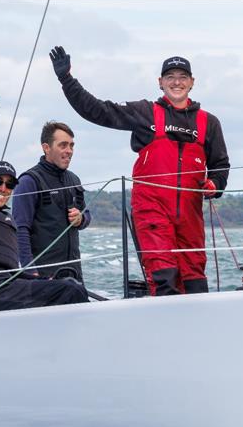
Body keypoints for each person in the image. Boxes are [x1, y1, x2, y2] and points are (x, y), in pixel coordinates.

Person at [49, 46, 230, 296]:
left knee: (195, 283)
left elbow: (221, 165)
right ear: (160, 82)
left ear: (191, 82)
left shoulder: (209, 122)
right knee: (164, 278)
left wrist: (215, 185)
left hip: (190, 216)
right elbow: (98, 110)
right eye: (170, 77)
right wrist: (66, 79)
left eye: (182, 77)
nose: (176, 82)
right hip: (152, 211)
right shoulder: (146, 112)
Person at [0, 97, 88, 314]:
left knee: (71, 287)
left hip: (6, 287)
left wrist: (38, 278)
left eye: (10, 184)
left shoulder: (6, 220)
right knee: (69, 290)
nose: (3, 188)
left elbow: (10, 272)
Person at [12, 121, 91, 281]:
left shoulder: (74, 179)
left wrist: (81, 219)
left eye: (71, 145)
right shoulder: (29, 181)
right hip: (43, 277)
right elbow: (20, 229)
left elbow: (87, 215)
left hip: (74, 273)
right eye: (63, 145)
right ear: (46, 147)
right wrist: (30, 271)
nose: (69, 151)